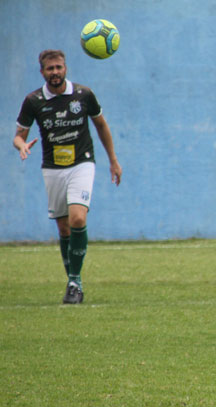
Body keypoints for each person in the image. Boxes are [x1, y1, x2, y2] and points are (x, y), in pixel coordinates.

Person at [13, 49, 122, 304]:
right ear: (42, 72)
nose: (55, 72)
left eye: (59, 67)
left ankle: (74, 281)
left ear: (65, 68)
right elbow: (19, 135)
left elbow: (101, 125)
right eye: (50, 69)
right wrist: (22, 145)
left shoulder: (83, 95)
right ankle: (74, 280)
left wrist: (113, 161)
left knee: (77, 218)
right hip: (52, 168)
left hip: (82, 164)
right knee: (63, 228)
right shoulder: (33, 101)